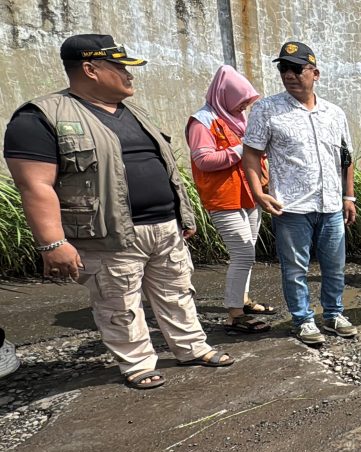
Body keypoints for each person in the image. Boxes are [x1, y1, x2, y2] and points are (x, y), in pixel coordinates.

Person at [3, 34, 234, 389]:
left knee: (178, 291)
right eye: (121, 67)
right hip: (108, 235)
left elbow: (164, 167)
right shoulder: (41, 117)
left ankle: (191, 347)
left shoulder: (134, 113)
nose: (130, 75)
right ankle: (137, 361)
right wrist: (52, 243)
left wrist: (181, 216)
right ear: (90, 69)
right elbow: (36, 185)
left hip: (164, 228)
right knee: (119, 302)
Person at [242, 41, 358, 346]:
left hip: (331, 204)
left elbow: (346, 158)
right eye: (284, 69)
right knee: (295, 269)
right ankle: (303, 320)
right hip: (291, 207)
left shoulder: (334, 113)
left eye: (296, 68)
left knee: (334, 266)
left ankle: (333, 314)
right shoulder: (267, 110)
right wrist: (258, 192)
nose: (289, 75)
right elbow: (251, 154)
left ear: (315, 73)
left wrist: (349, 196)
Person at [185, 64, 274, 335]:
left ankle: (242, 301)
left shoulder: (238, 120)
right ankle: (234, 314)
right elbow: (203, 159)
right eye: (239, 103)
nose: (243, 109)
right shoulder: (202, 121)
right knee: (243, 254)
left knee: (248, 252)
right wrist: (241, 150)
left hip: (250, 193)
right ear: (224, 97)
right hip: (224, 197)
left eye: (246, 104)